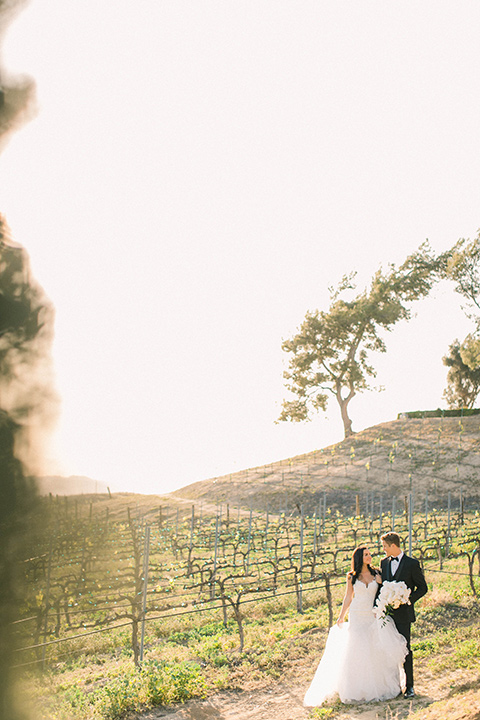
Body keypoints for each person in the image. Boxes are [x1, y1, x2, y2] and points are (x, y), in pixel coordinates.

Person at [304, 546, 408, 707]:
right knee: (358, 648)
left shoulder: (377, 574)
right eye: (366, 555)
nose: (369, 557)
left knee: (375, 648)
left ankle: (380, 686)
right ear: (359, 557)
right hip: (357, 615)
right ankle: (358, 687)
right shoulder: (351, 576)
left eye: (370, 554)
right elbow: (348, 597)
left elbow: (383, 591)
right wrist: (341, 616)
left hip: (372, 614)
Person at [380, 532, 428, 699]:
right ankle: (393, 687)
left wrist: (407, 600)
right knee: (388, 650)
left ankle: (410, 686)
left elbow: (423, 588)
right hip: (388, 615)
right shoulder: (383, 563)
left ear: (393, 546)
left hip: (404, 615)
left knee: (405, 649)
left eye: (385, 546)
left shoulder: (412, 564)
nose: (383, 549)